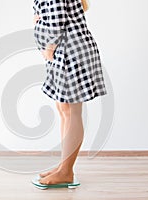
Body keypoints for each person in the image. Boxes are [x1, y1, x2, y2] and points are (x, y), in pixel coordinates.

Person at [33, 0, 107, 185]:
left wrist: (49, 47)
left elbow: (56, 19)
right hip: (66, 49)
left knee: (72, 111)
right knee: (64, 109)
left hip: (69, 50)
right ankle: (63, 167)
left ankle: (66, 171)